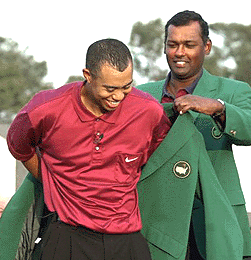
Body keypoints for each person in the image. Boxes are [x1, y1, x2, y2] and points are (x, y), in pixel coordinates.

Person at [6, 38, 171, 260]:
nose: (118, 97)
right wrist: (50, 182)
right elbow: (19, 145)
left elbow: (158, 150)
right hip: (66, 235)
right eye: (110, 88)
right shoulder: (45, 109)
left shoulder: (149, 111)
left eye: (126, 87)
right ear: (88, 75)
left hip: (126, 239)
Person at [137, 10, 251, 259]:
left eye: (189, 45)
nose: (180, 52)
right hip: (158, 223)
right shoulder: (142, 95)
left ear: (207, 46)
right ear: (164, 48)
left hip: (217, 220)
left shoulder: (232, 91)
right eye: (172, 45)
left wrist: (217, 107)